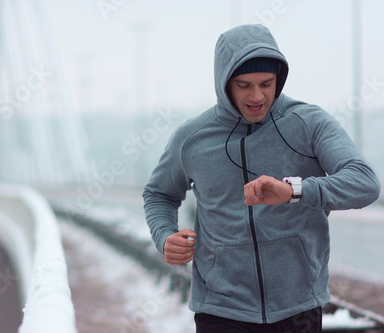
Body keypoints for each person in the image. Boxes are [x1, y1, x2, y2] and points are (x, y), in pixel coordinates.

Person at [143, 24, 381, 333]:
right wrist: (164, 236)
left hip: (297, 307)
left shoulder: (308, 124)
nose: (257, 96)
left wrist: (294, 190)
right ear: (224, 83)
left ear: (278, 79)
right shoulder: (193, 139)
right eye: (244, 85)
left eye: (266, 83)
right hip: (220, 308)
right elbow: (159, 193)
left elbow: (364, 182)